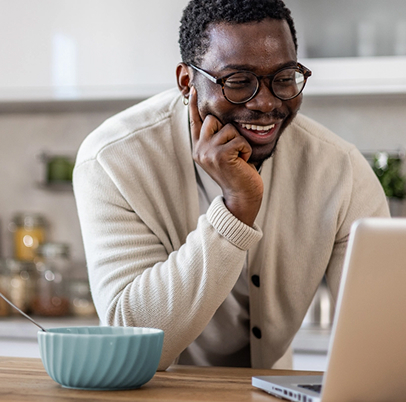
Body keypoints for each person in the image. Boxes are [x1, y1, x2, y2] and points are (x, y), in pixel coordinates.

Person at [73, 0, 389, 371]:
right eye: (239, 82)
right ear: (187, 82)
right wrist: (237, 208)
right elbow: (131, 345)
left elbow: (382, 334)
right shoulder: (113, 161)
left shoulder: (340, 170)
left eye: (284, 78)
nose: (267, 102)